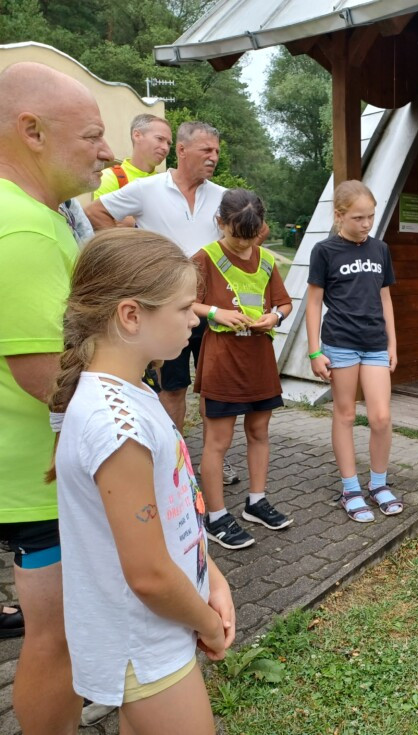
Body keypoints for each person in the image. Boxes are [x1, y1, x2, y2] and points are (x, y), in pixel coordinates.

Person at [49, 228, 235, 732]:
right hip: (143, 639)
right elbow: (149, 574)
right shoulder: (116, 424)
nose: (195, 319)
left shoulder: (134, 392)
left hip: (162, 627)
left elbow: (175, 515)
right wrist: (207, 623)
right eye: (183, 309)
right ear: (131, 315)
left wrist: (211, 578)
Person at [0, 60, 113, 734]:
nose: (108, 151)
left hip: (35, 474)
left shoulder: (36, 215)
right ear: (32, 131)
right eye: (93, 136)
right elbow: (49, 375)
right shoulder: (24, 229)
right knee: (56, 639)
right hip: (41, 483)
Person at [85, 120, 241, 487]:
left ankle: (214, 462)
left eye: (217, 151)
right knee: (172, 388)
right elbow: (95, 215)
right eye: (207, 150)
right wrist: (137, 253)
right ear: (182, 151)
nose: (214, 157)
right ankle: (174, 463)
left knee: (214, 389)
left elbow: (255, 228)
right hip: (165, 307)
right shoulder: (147, 189)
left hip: (214, 307)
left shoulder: (223, 196)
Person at [191, 190, 293, 549]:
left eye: (252, 237)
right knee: (217, 442)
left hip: (259, 361)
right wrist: (217, 313)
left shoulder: (265, 259)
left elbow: (284, 302)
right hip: (223, 361)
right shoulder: (205, 258)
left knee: (260, 432)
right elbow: (183, 299)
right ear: (220, 223)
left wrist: (275, 316)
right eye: (238, 237)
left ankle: (256, 501)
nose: (245, 244)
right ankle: (215, 515)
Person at [305, 180, 403, 523]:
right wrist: (314, 351)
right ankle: (350, 488)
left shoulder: (380, 249)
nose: (366, 224)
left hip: (375, 343)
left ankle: (378, 484)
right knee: (344, 415)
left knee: (381, 417)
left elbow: (385, 297)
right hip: (340, 343)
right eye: (359, 217)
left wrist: (392, 342)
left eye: (371, 217)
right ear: (339, 216)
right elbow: (313, 303)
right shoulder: (325, 251)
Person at [92, 113, 172, 202]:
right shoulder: (109, 178)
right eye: (160, 139)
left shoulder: (167, 184)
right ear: (137, 136)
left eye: (169, 143)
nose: (165, 148)